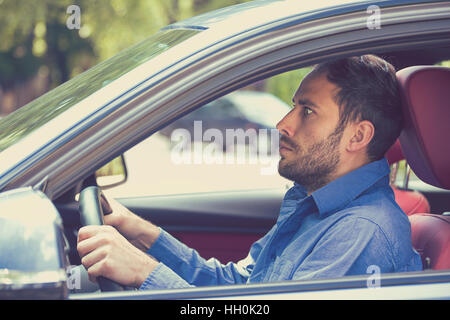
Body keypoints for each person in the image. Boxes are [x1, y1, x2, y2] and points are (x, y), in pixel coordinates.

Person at [77, 55, 423, 290]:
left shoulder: (361, 233)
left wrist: (143, 272)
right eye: (293, 106)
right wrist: (144, 235)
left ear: (358, 136)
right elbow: (242, 291)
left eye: (307, 111)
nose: (283, 124)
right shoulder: (313, 203)